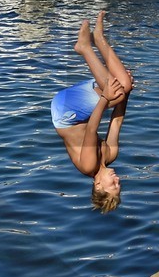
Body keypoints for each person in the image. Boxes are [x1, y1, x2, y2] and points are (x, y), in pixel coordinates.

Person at [51, 12, 134, 212]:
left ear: (98, 185)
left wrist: (107, 97)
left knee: (116, 93)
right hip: (80, 113)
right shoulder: (111, 154)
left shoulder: (88, 165)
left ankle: (85, 47)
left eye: (112, 185)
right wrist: (128, 90)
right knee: (123, 86)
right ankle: (99, 39)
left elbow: (91, 130)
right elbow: (116, 122)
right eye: (119, 185)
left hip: (65, 112)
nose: (117, 180)